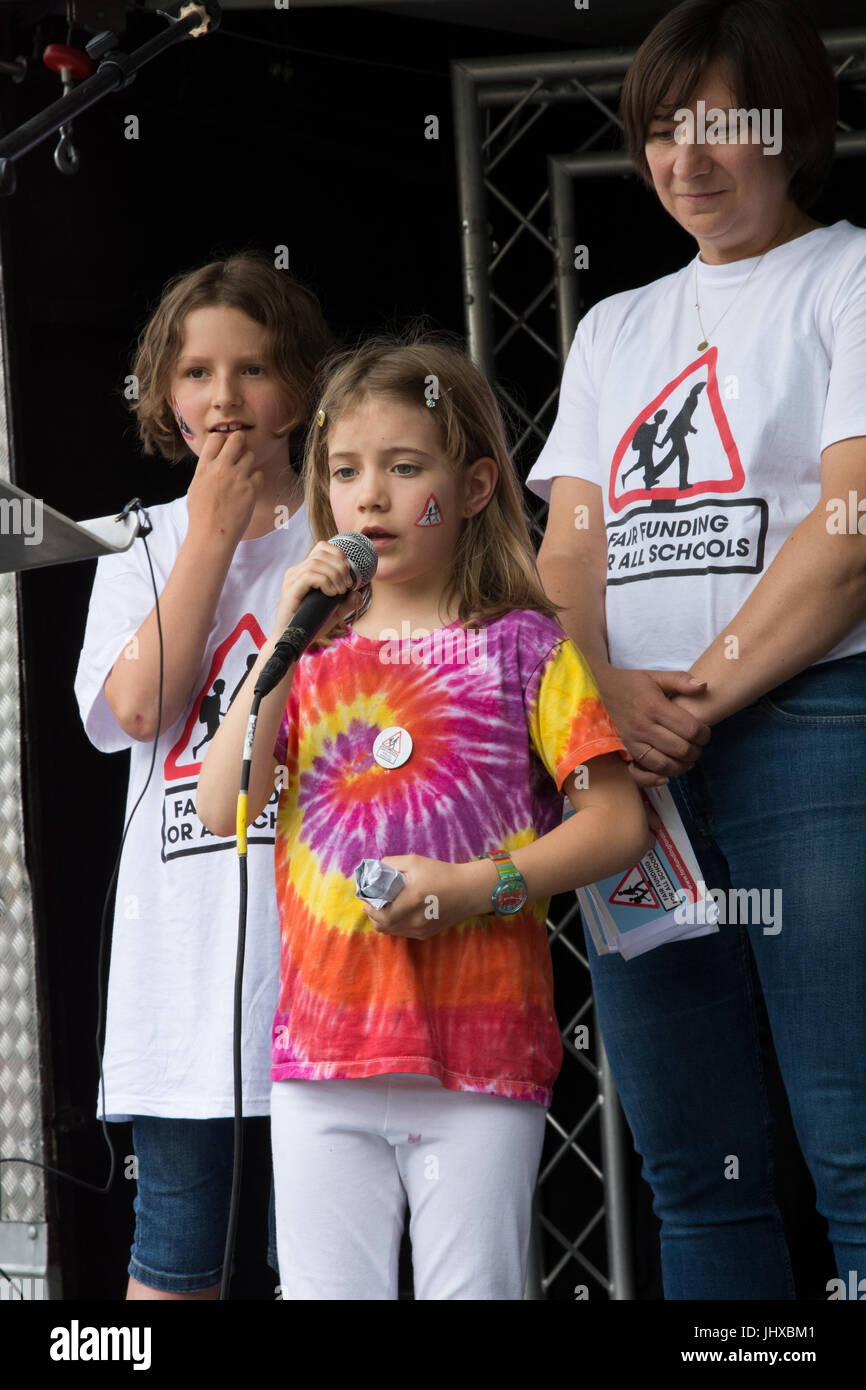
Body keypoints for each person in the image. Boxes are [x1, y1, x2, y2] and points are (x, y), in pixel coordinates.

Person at [196, 334, 653, 1300]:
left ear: (478, 485)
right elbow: (220, 799)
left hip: (479, 1058)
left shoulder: (522, 646)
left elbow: (616, 824)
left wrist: (476, 885)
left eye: (405, 469)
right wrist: (284, 641)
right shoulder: (309, 657)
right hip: (323, 1061)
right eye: (346, 472)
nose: (369, 497)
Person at [526, 0, 866, 1300]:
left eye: (721, 123)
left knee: (849, 1144)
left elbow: (847, 531)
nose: (686, 158)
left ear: (794, 131)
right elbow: (565, 549)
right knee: (694, 1167)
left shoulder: (843, 272)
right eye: (663, 129)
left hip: (811, 730)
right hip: (633, 769)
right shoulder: (615, 325)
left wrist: (685, 695)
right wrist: (599, 693)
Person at [74, 253, 334, 1299]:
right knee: (175, 1264)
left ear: (303, 388)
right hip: (186, 988)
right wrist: (211, 533)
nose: (222, 398)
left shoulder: (349, 527)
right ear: (161, 393)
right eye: (193, 372)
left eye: (253, 369)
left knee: (324, 1265)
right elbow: (138, 709)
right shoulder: (136, 544)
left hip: (329, 969)